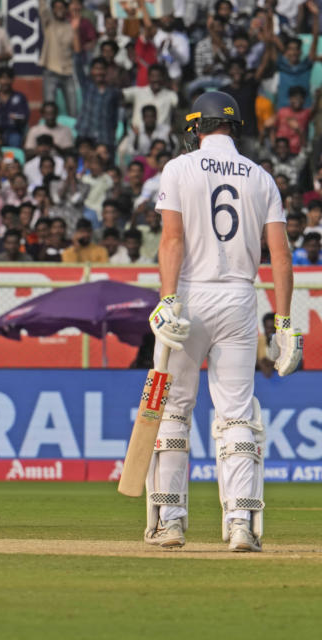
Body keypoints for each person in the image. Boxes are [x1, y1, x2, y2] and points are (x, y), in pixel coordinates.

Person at [145, 91, 301, 553]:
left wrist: (167, 299)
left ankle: (170, 522)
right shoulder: (261, 177)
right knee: (237, 416)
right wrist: (286, 324)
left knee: (174, 411)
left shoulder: (178, 168)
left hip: (191, 295)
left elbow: (171, 240)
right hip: (239, 299)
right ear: (234, 127)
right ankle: (241, 525)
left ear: (196, 128)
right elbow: (282, 255)